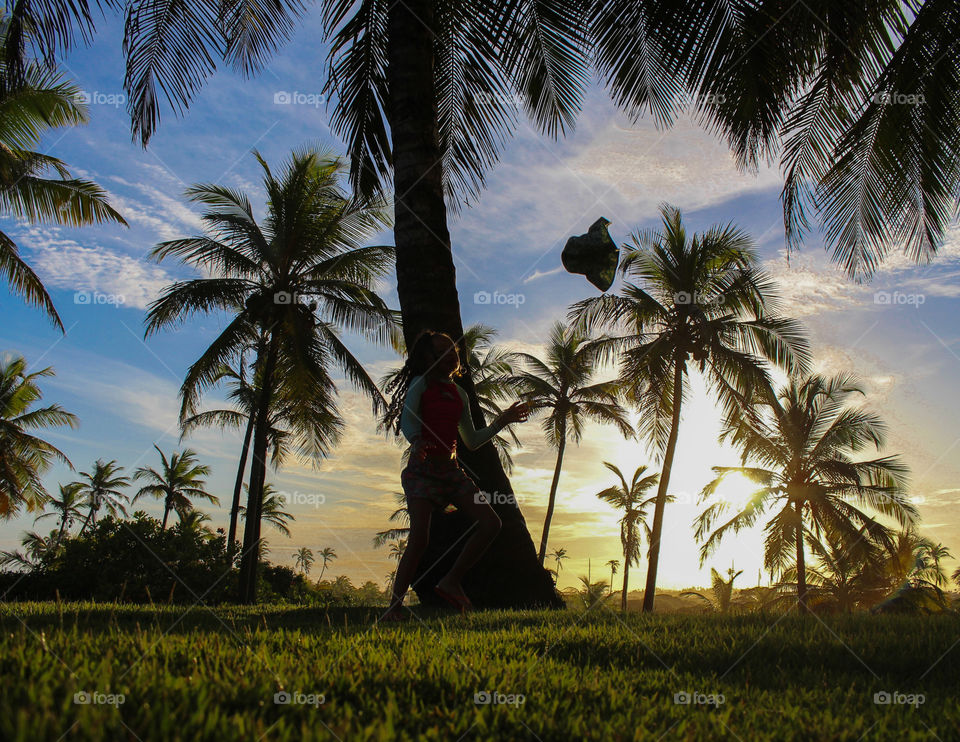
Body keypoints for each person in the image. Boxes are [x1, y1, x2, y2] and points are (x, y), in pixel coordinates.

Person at [379, 329, 529, 621]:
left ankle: (451, 580)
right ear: (428, 357)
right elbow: (407, 419)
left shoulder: (459, 393)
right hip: (422, 472)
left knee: (491, 523)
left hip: (451, 471)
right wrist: (417, 440)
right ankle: (394, 608)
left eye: (454, 351)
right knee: (419, 538)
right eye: (443, 351)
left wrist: (501, 421)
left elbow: (471, 440)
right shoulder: (421, 384)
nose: (452, 356)